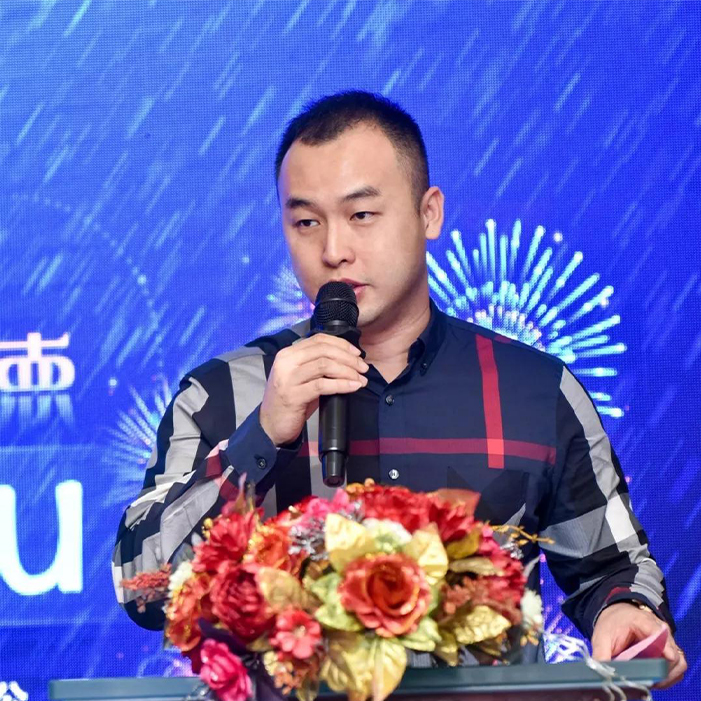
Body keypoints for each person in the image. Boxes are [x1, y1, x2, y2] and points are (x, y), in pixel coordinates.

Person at [112, 90, 685, 687]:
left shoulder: (537, 391)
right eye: (306, 222)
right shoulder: (221, 394)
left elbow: (610, 568)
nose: (333, 251)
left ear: (428, 213)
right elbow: (142, 587)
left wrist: (625, 612)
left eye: (362, 215)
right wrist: (260, 437)